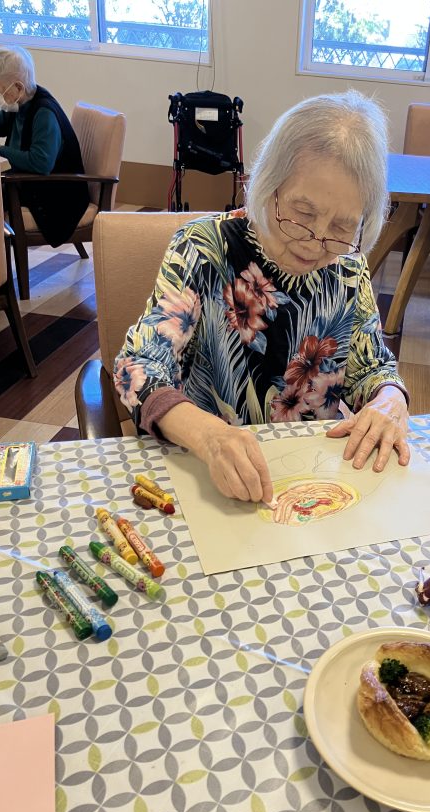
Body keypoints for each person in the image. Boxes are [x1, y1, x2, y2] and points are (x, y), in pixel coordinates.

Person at [115, 91, 410, 506]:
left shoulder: (347, 268)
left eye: (342, 227)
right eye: (303, 214)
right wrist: (211, 437)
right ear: (268, 183)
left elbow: (373, 369)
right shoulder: (204, 248)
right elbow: (139, 365)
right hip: (207, 475)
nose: (316, 242)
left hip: (308, 484)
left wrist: (390, 400)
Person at [0, 45, 89, 248]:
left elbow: (41, 163)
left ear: (18, 87)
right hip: (30, 184)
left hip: (56, 198)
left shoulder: (44, 113)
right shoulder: (21, 102)